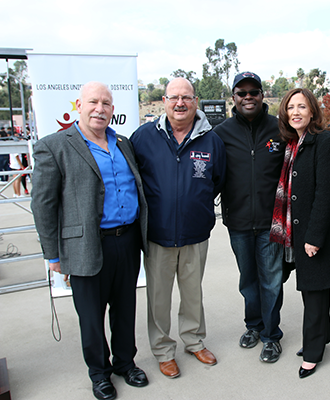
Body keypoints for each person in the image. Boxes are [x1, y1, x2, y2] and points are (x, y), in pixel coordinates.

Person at [31, 82, 149, 400]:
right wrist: (52, 255)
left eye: (106, 103)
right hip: (85, 245)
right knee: (91, 317)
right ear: (79, 105)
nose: (100, 108)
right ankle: (99, 373)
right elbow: (43, 204)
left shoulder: (123, 143)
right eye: (93, 102)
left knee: (125, 310)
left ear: (113, 109)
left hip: (127, 241)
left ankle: (126, 363)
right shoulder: (55, 146)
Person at [130, 77, 226, 378]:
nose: (180, 103)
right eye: (174, 98)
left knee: (192, 293)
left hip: (195, 233)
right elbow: (134, 182)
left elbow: (218, 181)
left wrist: (195, 207)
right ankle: (162, 350)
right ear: (163, 101)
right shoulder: (143, 137)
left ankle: (194, 341)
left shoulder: (212, 140)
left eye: (186, 97)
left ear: (195, 101)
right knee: (158, 297)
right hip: (157, 235)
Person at [270, 88, 330, 379]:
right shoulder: (293, 142)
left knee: (314, 291)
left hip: (318, 232)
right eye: (291, 107)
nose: (296, 112)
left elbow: (326, 192)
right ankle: (323, 334)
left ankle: (313, 351)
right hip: (298, 227)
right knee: (312, 289)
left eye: (302, 107)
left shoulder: (324, 141)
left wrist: (314, 237)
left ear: (313, 111)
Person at [212, 72, 286, 363]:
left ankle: (270, 335)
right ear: (233, 98)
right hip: (238, 222)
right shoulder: (221, 133)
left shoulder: (279, 129)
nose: (247, 97)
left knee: (271, 281)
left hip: (271, 223)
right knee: (248, 281)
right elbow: (213, 176)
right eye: (241, 93)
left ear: (262, 95)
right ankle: (253, 326)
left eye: (253, 92)